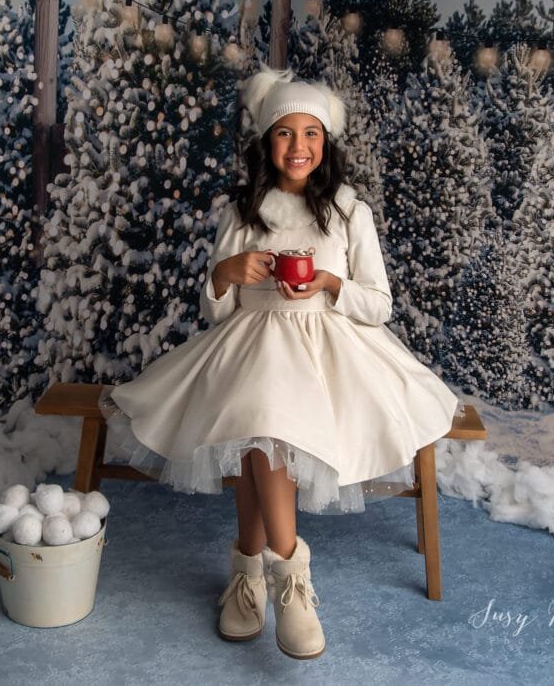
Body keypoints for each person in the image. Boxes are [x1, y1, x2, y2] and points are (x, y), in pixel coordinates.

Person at [99, 64, 460, 660]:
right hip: (252, 342)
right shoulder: (243, 211)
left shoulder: (349, 211)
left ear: (327, 142)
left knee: (263, 433)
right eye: (286, 134)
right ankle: (288, 578)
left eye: (311, 133)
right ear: (268, 142)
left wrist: (328, 281)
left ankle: (251, 573)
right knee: (259, 424)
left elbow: (378, 305)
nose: (299, 146)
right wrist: (226, 273)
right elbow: (217, 312)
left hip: (331, 353)